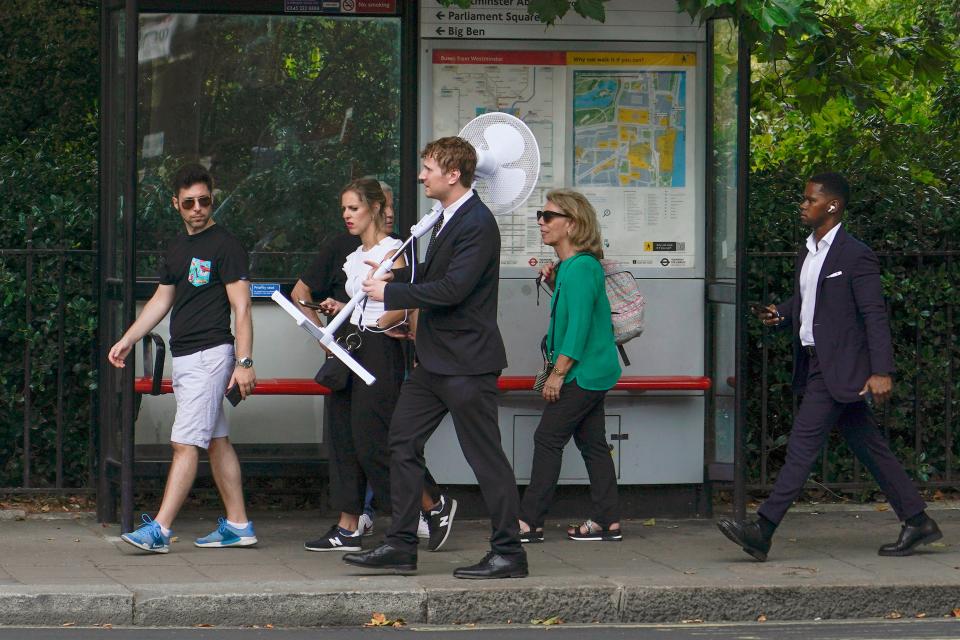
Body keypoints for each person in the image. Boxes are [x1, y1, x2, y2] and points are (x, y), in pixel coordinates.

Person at [717, 172, 941, 561]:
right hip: (818, 362)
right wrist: (781, 313)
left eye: (810, 200)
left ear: (832, 206)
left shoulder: (856, 255)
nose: (803, 205)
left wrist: (881, 371)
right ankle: (918, 520)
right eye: (804, 200)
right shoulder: (808, 250)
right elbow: (809, 299)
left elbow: (874, 314)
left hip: (842, 367)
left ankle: (763, 530)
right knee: (870, 447)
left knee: (801, 447)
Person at [345, 137, 527, 579]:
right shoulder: (449, 218)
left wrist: (392, 291)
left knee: (486, 459)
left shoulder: (477, 222)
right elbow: (438, 274)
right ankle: (402, 545)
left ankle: (509, 553)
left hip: (466, 362)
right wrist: (401, 272)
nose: (421, 175)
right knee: (402, 443)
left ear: (453, 175)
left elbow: (454, 289)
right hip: (434, 361)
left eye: (428, 168)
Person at [108, 163, 257, 553]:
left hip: (211, 355)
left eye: (204, 201)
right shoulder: (177, 248)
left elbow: (241, 308)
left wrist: (243, 362)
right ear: (176, 203)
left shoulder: (226, 245)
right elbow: (162, 299)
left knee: (184, 443)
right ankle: (239, 525)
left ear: (213, 199)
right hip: (189, 357)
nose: (197, 208)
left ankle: (159, 528)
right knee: (216, 442)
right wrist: (128, 338)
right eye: (189, 202)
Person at [295, 178, 447, 551]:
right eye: (344, 209)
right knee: (345, 437)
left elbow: (406, 301)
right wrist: (338, 312)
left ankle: (421, 511)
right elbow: (359, 301)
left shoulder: (394, 250)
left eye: (354, 208)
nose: (347, 216)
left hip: (379, 348)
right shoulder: (351, 256)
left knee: (374, 440)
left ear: (375, 209)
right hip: (352, 345)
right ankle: (349, 526)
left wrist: (380, 321)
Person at [518, 189, 622, 543]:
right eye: (540, 216)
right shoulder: (572, 268)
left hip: (582, 372)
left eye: (549, 217)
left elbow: (577, 327)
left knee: (547, 438)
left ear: (572, 224)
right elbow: (577, 315)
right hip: (594, 371)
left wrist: (558, 374)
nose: (541, 223)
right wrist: (552, 280)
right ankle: (607, 521)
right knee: (592, 442)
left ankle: (530, 522)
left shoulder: (580, 268)